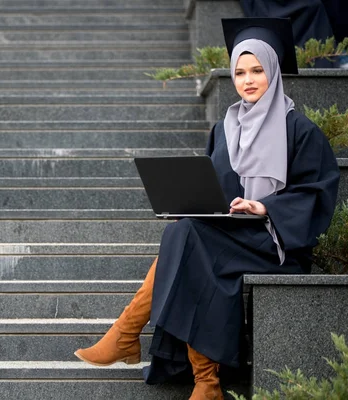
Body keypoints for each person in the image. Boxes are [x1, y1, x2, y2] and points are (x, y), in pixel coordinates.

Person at [74, 18, 340, 400]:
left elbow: (316, 194)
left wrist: (264, 206)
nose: (248, 80)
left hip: (273, 242)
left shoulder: (299, 130)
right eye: (240, 72)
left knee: (186, 241)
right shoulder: (224, 128)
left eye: (258, 70)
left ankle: (130, 337)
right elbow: (213, 188)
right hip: (228, 234)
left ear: (274, 72)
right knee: (184, 231)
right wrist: (193, 205)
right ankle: (203, 380)